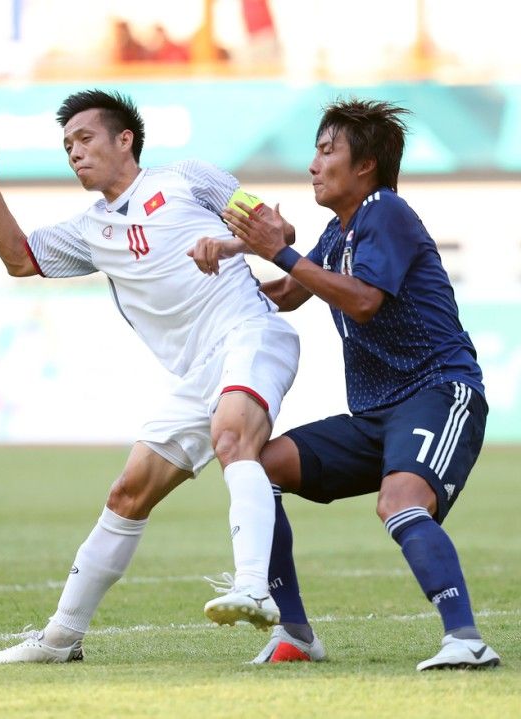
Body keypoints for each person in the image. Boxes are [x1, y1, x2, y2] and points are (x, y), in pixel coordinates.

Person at [0, 89, 301, 663]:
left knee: (231, 437)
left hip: (250, 332)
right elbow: (19, 258)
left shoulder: (188, 179)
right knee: (127, 493)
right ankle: (61, 638)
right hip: (196, 374)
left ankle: (251, 587)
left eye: (85, 138)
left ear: (125, 140)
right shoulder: (90, 230)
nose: (75, 152)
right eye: (67, 146)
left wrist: (226, 243)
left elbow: (279, 230)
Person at [190, 98, 501, 670]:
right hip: (375, 415)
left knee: (399, 501)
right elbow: (288, 293)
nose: (313, 164)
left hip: (438, 392)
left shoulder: (386, 211)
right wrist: (217, 274)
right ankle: (296, 633)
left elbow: (361, 301)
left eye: (326, 150)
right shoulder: (339, 232)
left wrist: (278, 249)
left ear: (365, 165)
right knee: (259, 467)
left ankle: (467, 640)